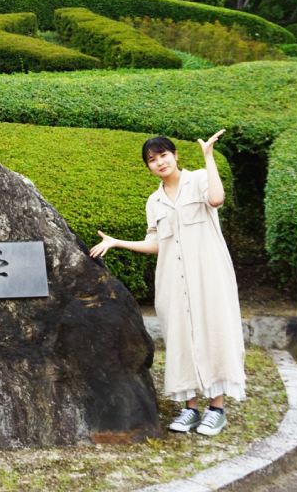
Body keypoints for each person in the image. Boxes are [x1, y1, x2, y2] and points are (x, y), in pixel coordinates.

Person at [89, 130, 245, 437]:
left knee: (214, 332)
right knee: (181, 338)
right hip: (173, 279)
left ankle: (217, 409)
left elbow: (216, 199)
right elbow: (157, 243)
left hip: (208, 273)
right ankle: (190, 407)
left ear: (175, 157)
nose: (159, 162)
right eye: (152, 159)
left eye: (163, 155)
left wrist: (209, 157)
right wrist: (119, 242)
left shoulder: (199, 179)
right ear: (148, 167)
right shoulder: (154, 201)